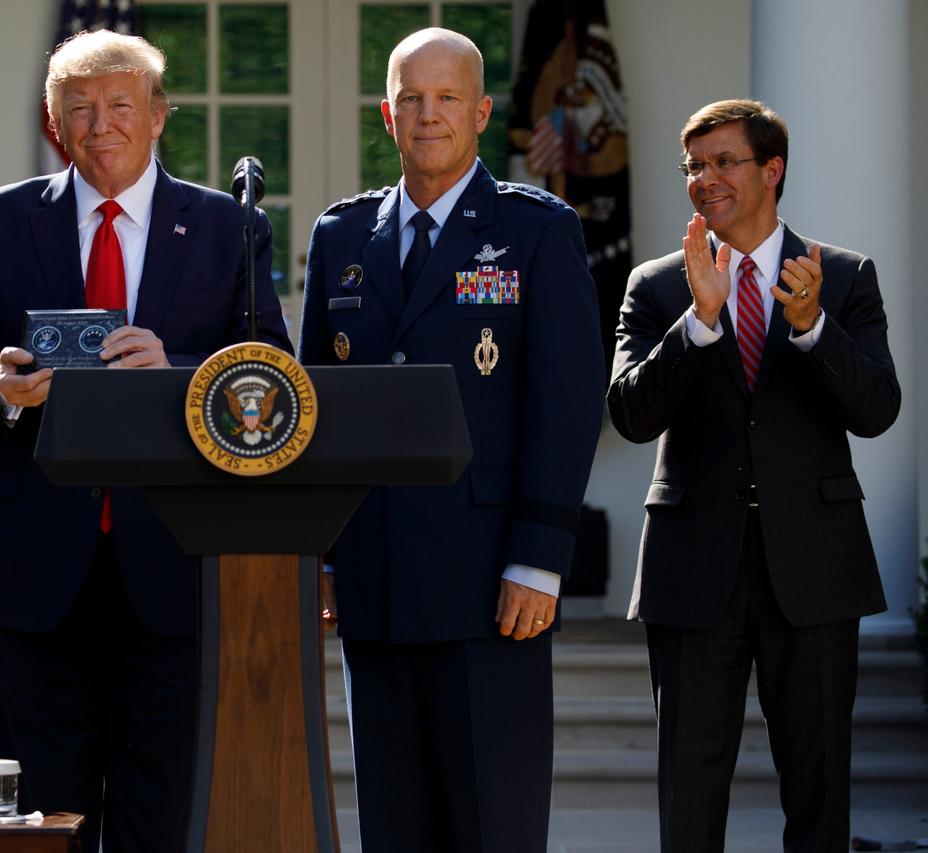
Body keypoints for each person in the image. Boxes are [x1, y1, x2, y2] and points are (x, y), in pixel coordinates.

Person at [0, 29, 290, 853]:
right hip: (37, 568)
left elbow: (271, 369)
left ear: (158, 117)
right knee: (43, 817)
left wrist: (179, 371)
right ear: (55, 123)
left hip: (172, 563)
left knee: (160, 810)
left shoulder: (228, 226)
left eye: (121, 106)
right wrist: (1, 386)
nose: (101, 126)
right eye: (78, 109)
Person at [298, 28, 604, 852]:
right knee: (394, 827)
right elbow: (312, 405)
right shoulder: (340, 238)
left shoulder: (536, 230)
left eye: (446, 99)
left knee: (490, 825)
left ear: (480, 112)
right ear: (387, 114)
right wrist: (321, 552)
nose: (427, 115)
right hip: (373, 578)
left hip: (489, 583)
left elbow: (567, 403)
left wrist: (539, 556)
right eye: (411, 99)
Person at [607, 99, 899, 852]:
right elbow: (631, 415)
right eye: (693, 166)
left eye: (722, 161)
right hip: (693, 566)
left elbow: (877, 409)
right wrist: (698, 325)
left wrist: (812, 329)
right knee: (690, 794)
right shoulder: (658, 286)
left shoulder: (843, 277)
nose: (703, 179)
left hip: (816, 564)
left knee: (818, 789)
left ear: (771, 170)